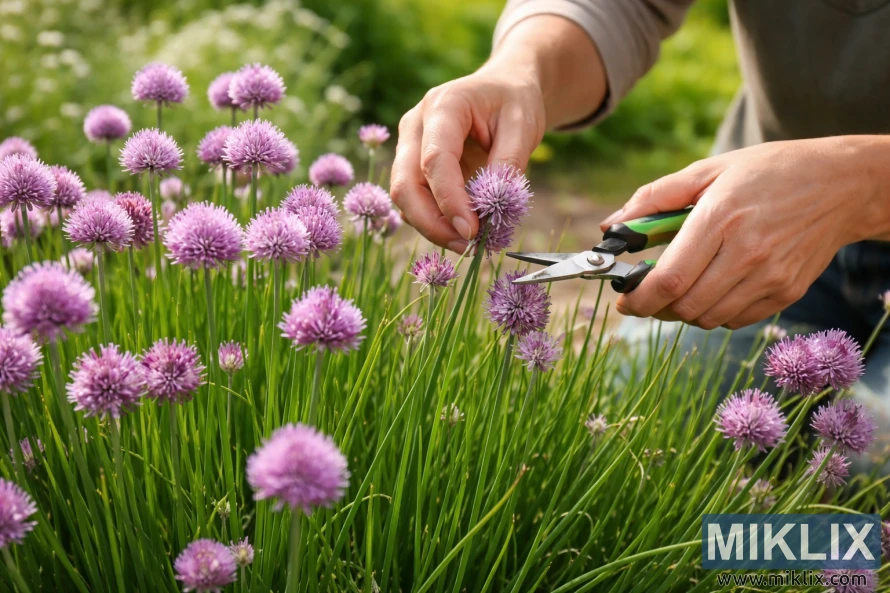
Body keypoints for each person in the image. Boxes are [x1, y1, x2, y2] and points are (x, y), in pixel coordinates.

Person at [389, 0, 890, 469]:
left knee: (859, 494)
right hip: (755, 216)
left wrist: (862, 184)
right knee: (640, 425)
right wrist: (522, 69)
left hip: (810, 197)